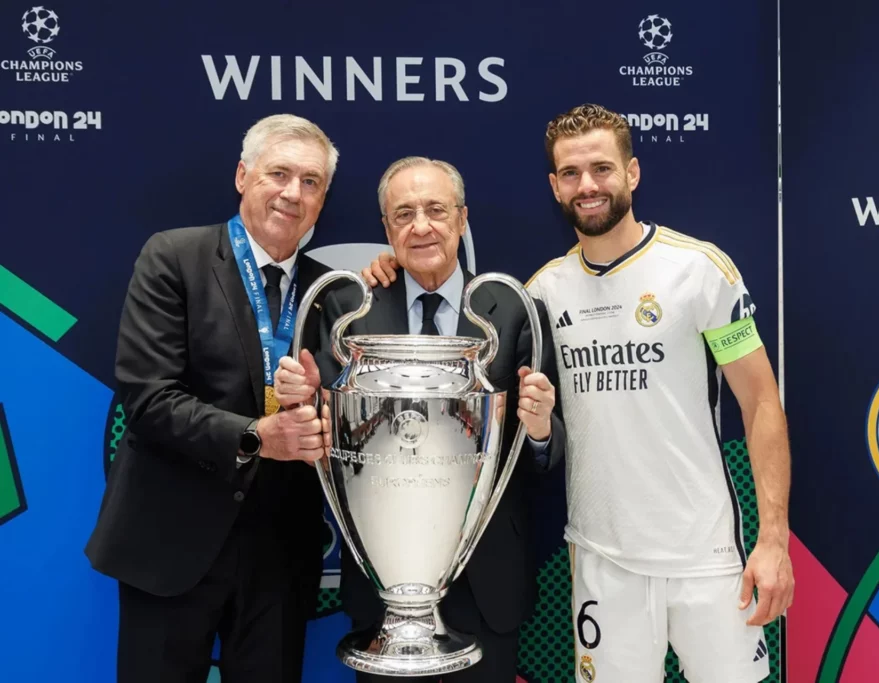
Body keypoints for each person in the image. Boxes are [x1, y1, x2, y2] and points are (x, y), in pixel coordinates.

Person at [362, 104, 795, 683]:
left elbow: (761, 403)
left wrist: (773, 541)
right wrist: (391, 265)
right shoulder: (541, 292)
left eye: (601, 168)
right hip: (601, 559)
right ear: (553, 185)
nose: (587, 185)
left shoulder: (699, 270)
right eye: (570, 173)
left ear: (632, 173)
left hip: (706, 557)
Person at [272, 155, 566, 683]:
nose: (421, 226)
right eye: (403, 214)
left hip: (487, 579)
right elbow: (320, 434)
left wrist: (541, 429)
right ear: (386, 229)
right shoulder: (348, 309)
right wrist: (300, 401)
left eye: (436, 210)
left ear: (462, 219)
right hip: (382, 585)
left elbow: (549, 455)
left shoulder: (516, 307)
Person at [85, 114, 337, 683]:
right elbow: (147, 398)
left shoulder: (334, 292)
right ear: (243, 176)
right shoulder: (174, 257)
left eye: (311, 182)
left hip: (281, 553)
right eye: (280, 173)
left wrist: (325, 406)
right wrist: (254, 435)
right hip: (171, 540)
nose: (293, 193)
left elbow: (345, 425)